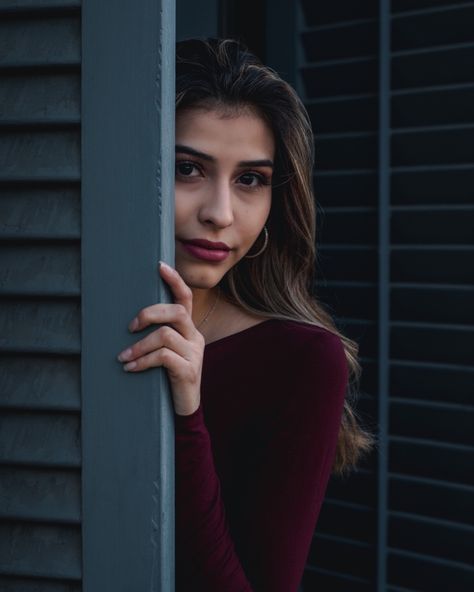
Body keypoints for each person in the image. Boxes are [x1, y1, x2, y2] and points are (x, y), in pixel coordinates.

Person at [117, 38, 373, 591]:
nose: (219, 213)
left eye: (250, 179)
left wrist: (188, 414)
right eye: (188, 168)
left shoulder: (303, 360)